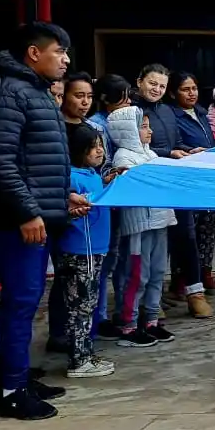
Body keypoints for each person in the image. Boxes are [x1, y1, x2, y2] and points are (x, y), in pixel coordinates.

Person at [0, 22, 89, 420]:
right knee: (21, 302)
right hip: (18, 220)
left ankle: (15, 375)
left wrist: (63, 196)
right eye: (60, 51)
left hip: (37, 212)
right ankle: (11, 391)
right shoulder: (9, 92)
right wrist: (27, 212)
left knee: (23, 301)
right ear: (33, 53)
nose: (66, 60)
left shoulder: (33, 92)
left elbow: (37, 162)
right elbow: (2, 163)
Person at [133, 65, 212, 318]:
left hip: (175, 183)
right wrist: (169, 154)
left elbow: (177, 143)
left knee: (186, 238)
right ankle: (150, 300)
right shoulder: (131, 112)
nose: (156, 89)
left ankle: (195, 294)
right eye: (152, 83)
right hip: (148, 186)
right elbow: (134, 149)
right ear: (139, 82)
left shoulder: (167, 111)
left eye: (161, 86)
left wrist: (188, 151)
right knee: (151, 245)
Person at [108, 106, 177, 348]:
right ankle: (128, 324)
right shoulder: (123, 158)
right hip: (139, 226)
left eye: (149, 126)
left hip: (160, 221)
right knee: (138, 275)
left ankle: (150, 321)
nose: (150, 131)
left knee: (157, 272)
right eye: (144, 126)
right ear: (128, 131)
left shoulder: (152, 155)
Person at [56, 126, 115, 379]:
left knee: (88, 304)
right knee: (80, 306)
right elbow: (64, 205)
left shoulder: (92, 174)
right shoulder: (71, 177)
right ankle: (78, 361)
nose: (100, 150)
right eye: (93, 146)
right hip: (81, 251)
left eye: (100, 144)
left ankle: (85, 354)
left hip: (95, 250)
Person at [169, 72, 215, 299]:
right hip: (186, 181)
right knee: (186, 233)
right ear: (173, 93)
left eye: (194, 88)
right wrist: (190, 151)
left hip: (207, 180)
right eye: (185, 89)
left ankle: (205, 273)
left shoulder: (202, 113)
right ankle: (182, 278)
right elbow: (174, 144)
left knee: (207, 229)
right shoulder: (171, 115)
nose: (192, 93)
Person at [88, 74, 131, 342]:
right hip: (102, 198)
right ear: (106, 99)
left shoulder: (121, 122)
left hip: (118, 200)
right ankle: (98, 317)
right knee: (102, 262)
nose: (127, 101)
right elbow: (100, 165)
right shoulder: (96, 127)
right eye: (122, 96)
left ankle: (110, 313)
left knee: (115, 258)